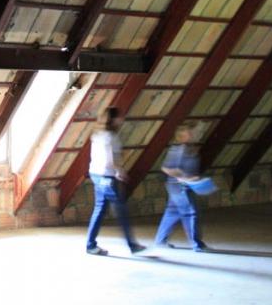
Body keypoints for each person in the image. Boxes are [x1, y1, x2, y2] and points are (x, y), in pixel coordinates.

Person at [85, 106, 145, 256]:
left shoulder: (97, 134)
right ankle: (132, 245)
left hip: (96, 174)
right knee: (121, 210)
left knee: (100, 209)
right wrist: (119, 171)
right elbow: (109, 159)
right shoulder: (110, 137)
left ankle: (91, 245)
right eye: (119, 117)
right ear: (113, 119)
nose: (122, 119)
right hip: (106, 176)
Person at [154, 124, 209, 252]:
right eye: (188, 134)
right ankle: (197, 244)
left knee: (172, 213)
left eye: (191, 133)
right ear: (181, 137)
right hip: (177, 186)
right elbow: (166, 168)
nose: (191, 136)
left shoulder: (191, 150)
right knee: (190, 213)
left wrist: (194, 178)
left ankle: (160, 241)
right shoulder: (177, 150)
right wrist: (185, 177)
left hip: (186, 185)